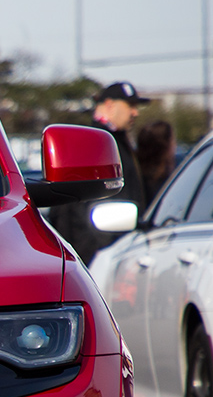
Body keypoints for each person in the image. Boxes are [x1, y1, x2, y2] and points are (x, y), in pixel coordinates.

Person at [47, 81, 149, 263]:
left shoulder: (114, 140)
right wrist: (97, 251)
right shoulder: (93, 142)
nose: (135, 112)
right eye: (130, 106)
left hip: (116, 250)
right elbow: (73, 208)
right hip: (98, 256)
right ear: (110, 105)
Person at [136, 119, 177, 202]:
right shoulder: (171, 184)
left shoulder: (134, 177)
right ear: (165, 146)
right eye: (172, 140)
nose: (174, 145)